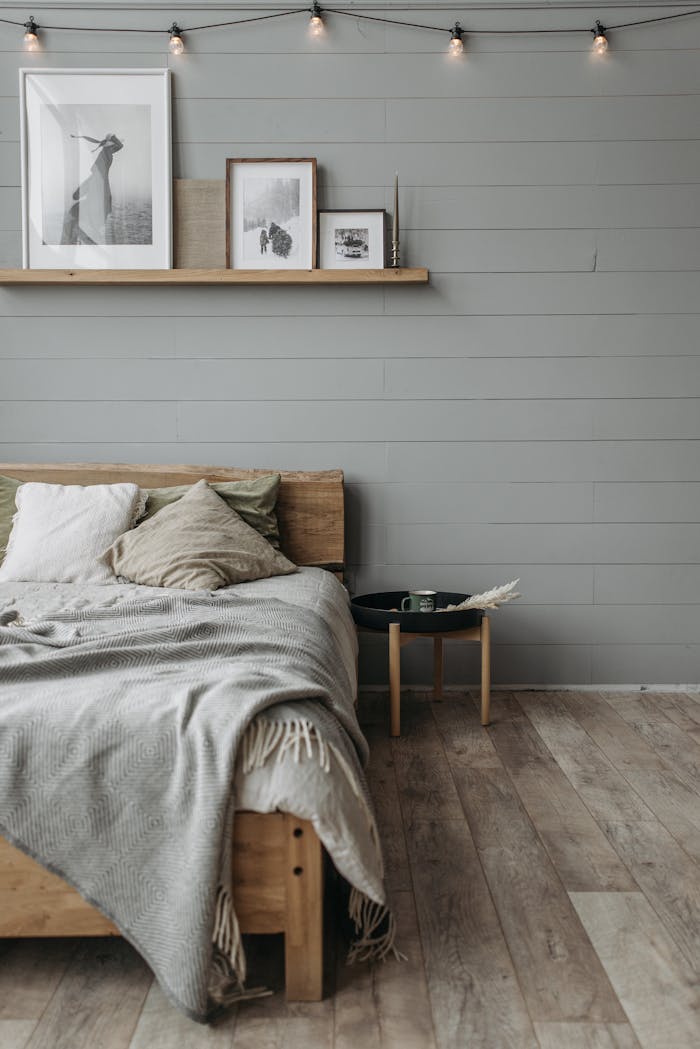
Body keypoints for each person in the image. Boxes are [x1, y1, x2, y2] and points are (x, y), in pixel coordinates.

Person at [61, 132, 124, 245]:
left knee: (74, 213)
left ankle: (79, 238)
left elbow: (80, 191)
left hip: (94, 210)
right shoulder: (101, 173)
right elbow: (119, 146)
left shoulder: (99, 172)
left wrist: (112, 137)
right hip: (99, 209)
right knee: (77, 213)